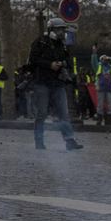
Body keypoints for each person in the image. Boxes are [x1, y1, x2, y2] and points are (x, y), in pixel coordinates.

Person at [25, 18, 85, 151]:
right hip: (42, 82)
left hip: (57, 82)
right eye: (59, 30)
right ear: (52, 30)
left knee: (64, 113)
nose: (62, 32)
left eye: (63, 30)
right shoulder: (39, 42)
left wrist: (62, 64)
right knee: (42, 113)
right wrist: (49, 64)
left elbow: (68, 61)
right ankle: (39, 141)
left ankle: (69, 140)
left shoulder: (62, 45)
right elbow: (33, 60)